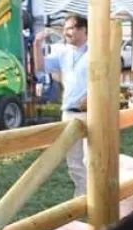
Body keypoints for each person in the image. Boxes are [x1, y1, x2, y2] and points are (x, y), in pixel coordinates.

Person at [33, 15, 89, 196]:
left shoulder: (95, 52)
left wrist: (92, 98)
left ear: (83, 30)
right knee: (74, 162)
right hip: (69, 113)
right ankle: (81, 200)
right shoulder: (62, 52)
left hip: (92, 113)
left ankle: (95, 200)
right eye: (65, 28)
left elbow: (108, 79)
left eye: (71, 28)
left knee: (92, 160)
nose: (66, 32)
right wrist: (36, 46)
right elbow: (41, 67)